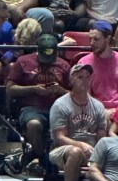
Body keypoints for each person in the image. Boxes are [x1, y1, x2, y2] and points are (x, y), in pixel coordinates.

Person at [5, 34, 70, 171]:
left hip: (58, 108)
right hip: (31, 107)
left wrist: (60, 90)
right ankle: (43, 160)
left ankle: (32, 156)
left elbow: (74, 93)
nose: (47, 61)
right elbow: (10, 89)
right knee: (34, 124)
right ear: (37, 51)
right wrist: (34, 89)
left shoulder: (64, 65)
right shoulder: (23, 62)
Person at [48, 62, 108, 181]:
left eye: (88, 77)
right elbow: (59, 138)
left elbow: (101, 136)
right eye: (80, 77)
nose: (85, 81)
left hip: (92, 149)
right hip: (63, 149)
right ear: (71, 80)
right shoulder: (61, 105)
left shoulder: (98, 106)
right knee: (75, 152)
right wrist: (80, 145)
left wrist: (99, 152)